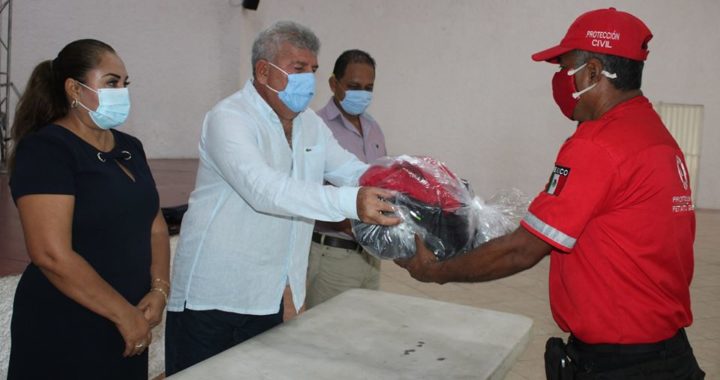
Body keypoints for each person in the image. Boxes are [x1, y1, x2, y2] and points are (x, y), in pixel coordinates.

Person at [397, 8, 705, 379]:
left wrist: (435, 271)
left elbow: (522, 250)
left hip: (621, 365)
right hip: (668, 355)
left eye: (565, 69)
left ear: (593, 72)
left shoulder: (598, 144)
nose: (561, 80)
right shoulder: (654, 133)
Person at [164, 21, 399, 375]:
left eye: (313, 70)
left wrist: (408, 182)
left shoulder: (310, 125)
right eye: (298, 69)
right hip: (213, 296)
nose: (309, 79)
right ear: (263, 71)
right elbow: (264, 189)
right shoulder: (230, 118)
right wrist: (351, 202)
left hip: (270, 296)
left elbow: (351, 170)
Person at [7, 39, 171, 379]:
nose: (121, 92)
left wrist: (159, 289)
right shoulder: (47, 150)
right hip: (68, 320)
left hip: (131, 316)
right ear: (73, 89)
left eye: (125, 84)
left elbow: (154, 224)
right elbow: (50, 254)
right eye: (111, 82)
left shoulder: (130, 147)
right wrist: (123, 315)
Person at [306, 49, 387, 308]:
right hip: (334, 254)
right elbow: (306, 193)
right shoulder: (316, 126)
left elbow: (380, 184)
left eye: (368, 87)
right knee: (327, 338)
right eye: (354, 86)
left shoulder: (373, 129)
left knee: (363, 333)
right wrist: (354, 226)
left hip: (372, 255)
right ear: (334, 83)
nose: (361, 94)